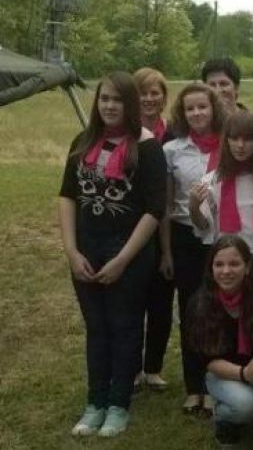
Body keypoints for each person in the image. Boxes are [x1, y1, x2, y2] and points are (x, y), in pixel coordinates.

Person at [59, 71, 166, 438]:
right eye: (104, 98)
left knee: (124, 327)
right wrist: (72, 251)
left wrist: (123, 259)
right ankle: (95, 402)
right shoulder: (82, 142)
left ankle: (119, 404)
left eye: (117, 99)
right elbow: (67, 196)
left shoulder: (148, 148)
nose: (109, 105)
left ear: (131, 104)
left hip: (129, 252)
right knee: (97, 327)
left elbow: (154, 209)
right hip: (87, 248)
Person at [187, 235, 253, 450]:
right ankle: (224, 418)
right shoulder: (199, 304)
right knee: (250, 407)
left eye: (234, 264)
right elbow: (207, 361)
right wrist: (245, 374)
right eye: (219, 264)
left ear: (247, 267)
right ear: (211, 269)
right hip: (222, 374)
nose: (226, 271)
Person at [162, 83, 226, 414]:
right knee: (191, 311)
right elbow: (166, 206)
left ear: (213, 108)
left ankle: (216, 384)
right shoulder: (172, 150)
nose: (197, 113)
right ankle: (193, 385)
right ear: (182, 113)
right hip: (186, 237)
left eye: (202, 106)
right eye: (190, 109)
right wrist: (166, 251)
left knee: (220, 310)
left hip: (222, 239)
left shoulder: (230, 146)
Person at [190, 111, 253, 297]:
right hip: (228, 267)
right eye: (235, 138)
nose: (240, 145)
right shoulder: (212, 180)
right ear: (226, 141)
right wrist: (193, 207)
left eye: (247, 139)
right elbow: (204, 227)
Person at [131, 67, 176, 392]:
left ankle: (153, 368)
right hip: (132, 228)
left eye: (154, 92)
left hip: (167, 227)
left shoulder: (173, 135)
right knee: (132, 303)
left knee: (161, 302)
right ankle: (132, 367)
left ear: (163, 97)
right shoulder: (124, 133)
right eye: (142, 92)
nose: (148, 98)